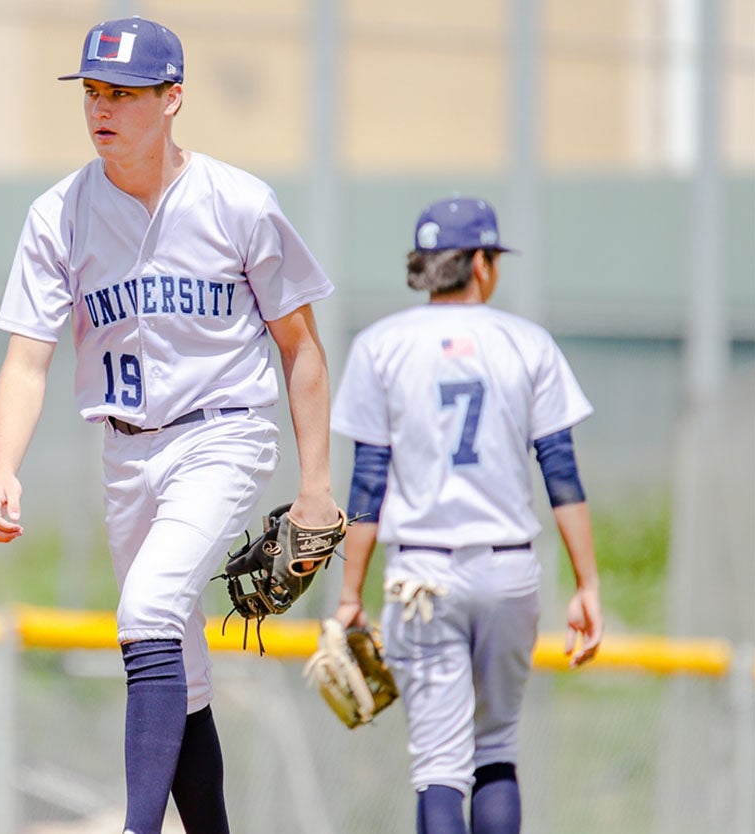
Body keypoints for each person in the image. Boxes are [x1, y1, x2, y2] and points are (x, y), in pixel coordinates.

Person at [0, 16, 339, 834]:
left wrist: (316, 488)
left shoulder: (238, 204)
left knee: (143, 614)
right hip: (125, 449)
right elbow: (26, 361)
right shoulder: (59, 215)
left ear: (173, 99)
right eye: (95, 93)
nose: (103, 109)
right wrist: (5, 466)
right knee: (181, 667)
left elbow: (302, 350)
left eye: (126, 95)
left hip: (224, 435)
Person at [328, 196, 604, 834]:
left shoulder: (380, 345)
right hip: (509, 571)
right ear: (480, 263)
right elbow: (560, 471)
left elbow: (369, 480)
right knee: (497, 748)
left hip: (422, 573)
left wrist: (348, 596)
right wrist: (588, 584)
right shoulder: (525, 342)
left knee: (439, 765)